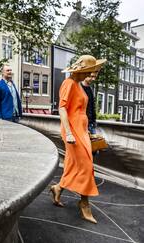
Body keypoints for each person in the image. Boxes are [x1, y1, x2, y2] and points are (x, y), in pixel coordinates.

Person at [49, 55, 106, 224]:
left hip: (81, 130)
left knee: (75, 164)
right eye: (90, 71)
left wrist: (85, 131)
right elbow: (62, 109)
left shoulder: (78, 85)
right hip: (72, 130)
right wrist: (68, 133)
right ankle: (84, 204)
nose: (91, 74)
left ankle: (57, 188)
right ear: (82, 71)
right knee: (86, 165)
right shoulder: (69, 83)